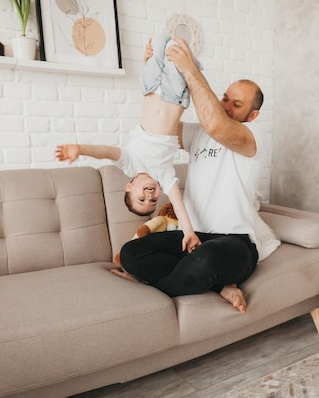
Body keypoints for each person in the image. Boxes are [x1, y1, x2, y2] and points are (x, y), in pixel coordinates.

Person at [117, 37, 268, 314]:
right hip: (194, 238)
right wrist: (154, 74)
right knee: (131, 252)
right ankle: (219, 285)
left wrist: (190, 69)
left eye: (236, 104)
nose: (225, 106)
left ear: (253, 114)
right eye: (224, 98)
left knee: (207, 259)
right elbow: (160, 123)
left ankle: (155, 294)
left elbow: (215, 123)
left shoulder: (252, 138)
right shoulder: (199, 133)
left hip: (235, 243)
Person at [56, 33, 202, 254]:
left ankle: (160, 59)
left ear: (130, 186)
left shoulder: (129, 164)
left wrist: (81, 148)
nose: (150, 197)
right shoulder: (164, 177)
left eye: (141, 198)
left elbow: (105, 151)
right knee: (176, 49)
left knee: (159, 42)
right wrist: (188, 232)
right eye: (152, 201)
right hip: (174, 96)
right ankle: (194, 68)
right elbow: (179, 206)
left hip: (151, 88)